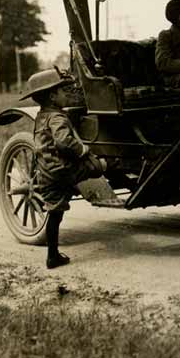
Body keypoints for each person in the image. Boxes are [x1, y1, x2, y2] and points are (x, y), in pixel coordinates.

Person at [22, 68, 107, 269]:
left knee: (55, 214)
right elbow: (63, 142)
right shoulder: (57, 118)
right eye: (62, 91)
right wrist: (83, 150)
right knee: (99, 166)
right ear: (52, 96)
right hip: (63, 171)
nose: (66, 94)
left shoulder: (42, 116)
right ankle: (102, 168)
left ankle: (52, 256)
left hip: (46, 172)